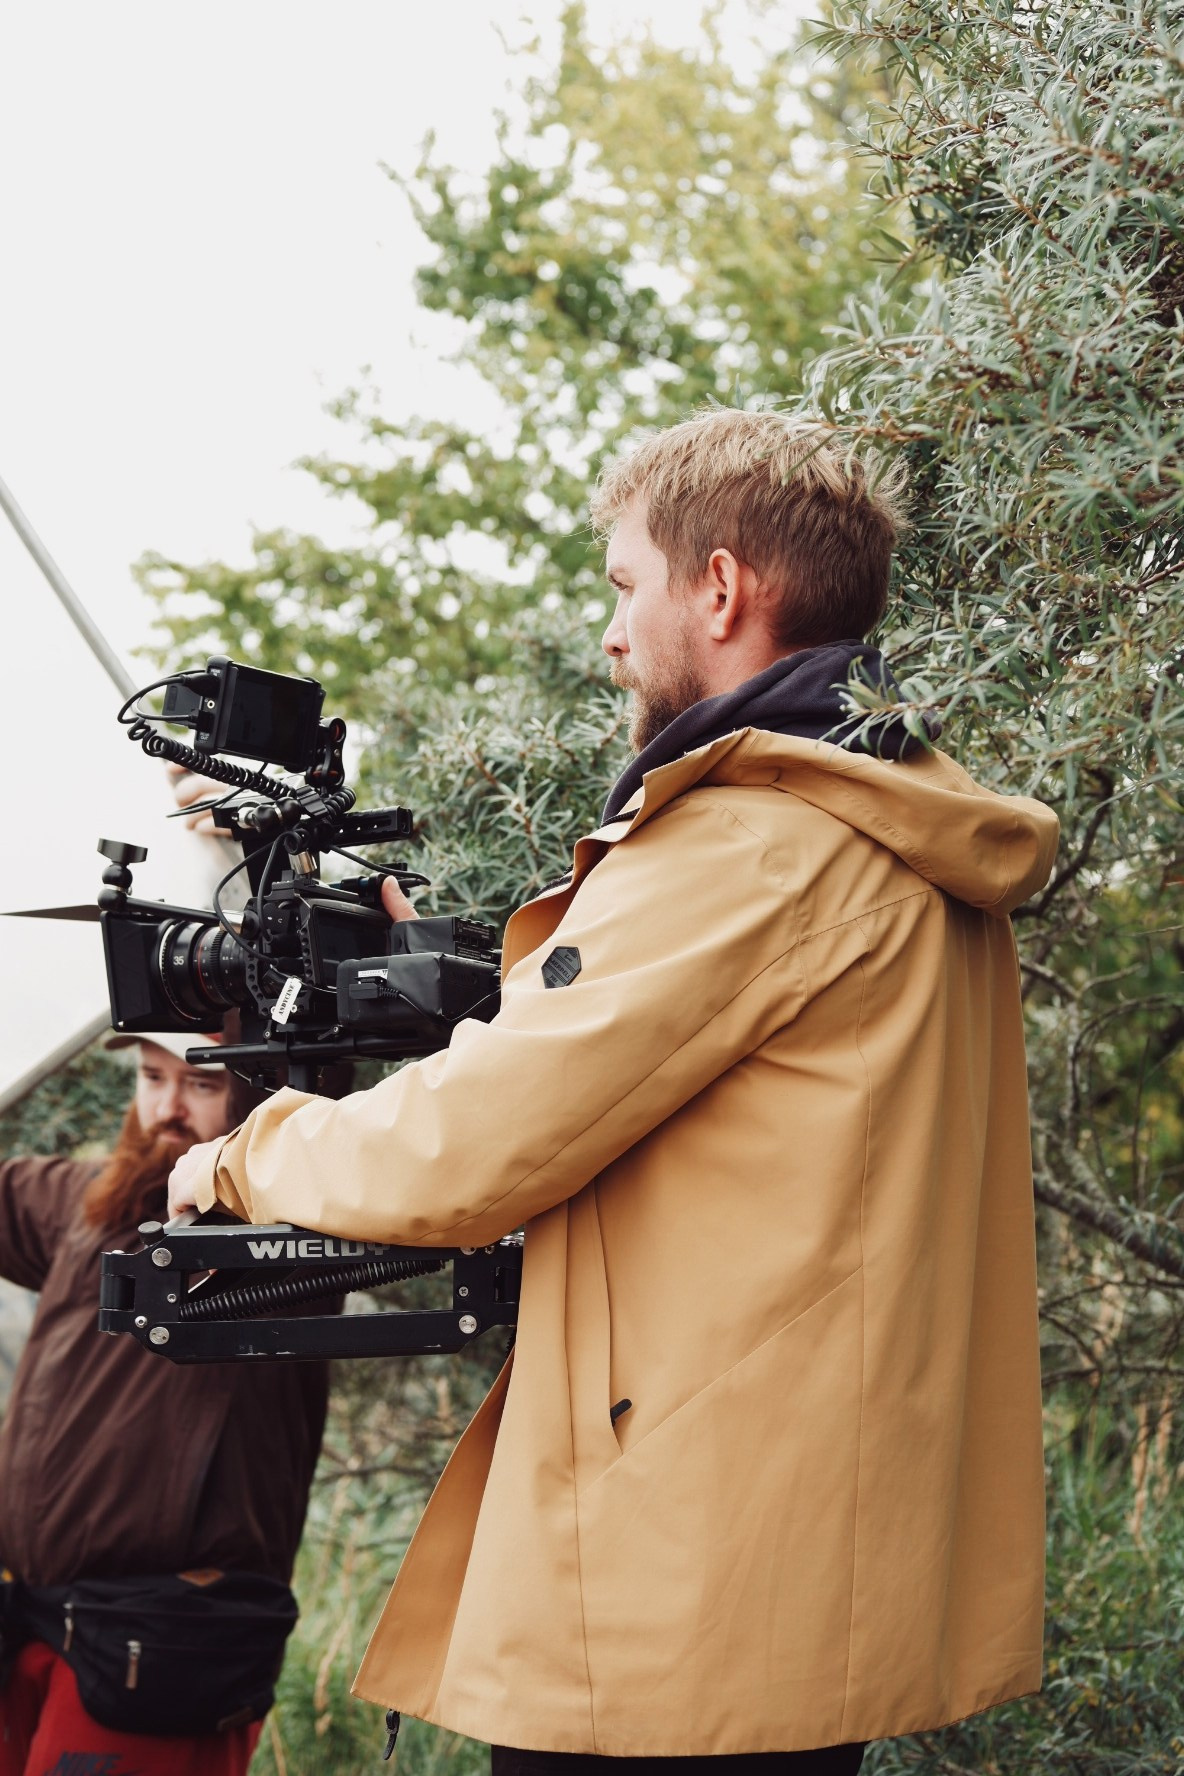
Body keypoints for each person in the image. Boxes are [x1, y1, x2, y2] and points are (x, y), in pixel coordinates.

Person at [170, 408, 1060, 1775]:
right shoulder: (886, 826)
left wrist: (244, 1154)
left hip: (677, 1591)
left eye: (623, 584)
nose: (610, 632)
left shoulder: (753, 842)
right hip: (786, 1568)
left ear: (721, 588)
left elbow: (467, 1149)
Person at [0, 1034, 329, 1776]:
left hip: (167, 1638)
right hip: (36, 1620)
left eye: (200, 1083)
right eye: (152, 1077)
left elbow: (327, 1109)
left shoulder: (291, 1224)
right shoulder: (89, 1204)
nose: (167, 1108)